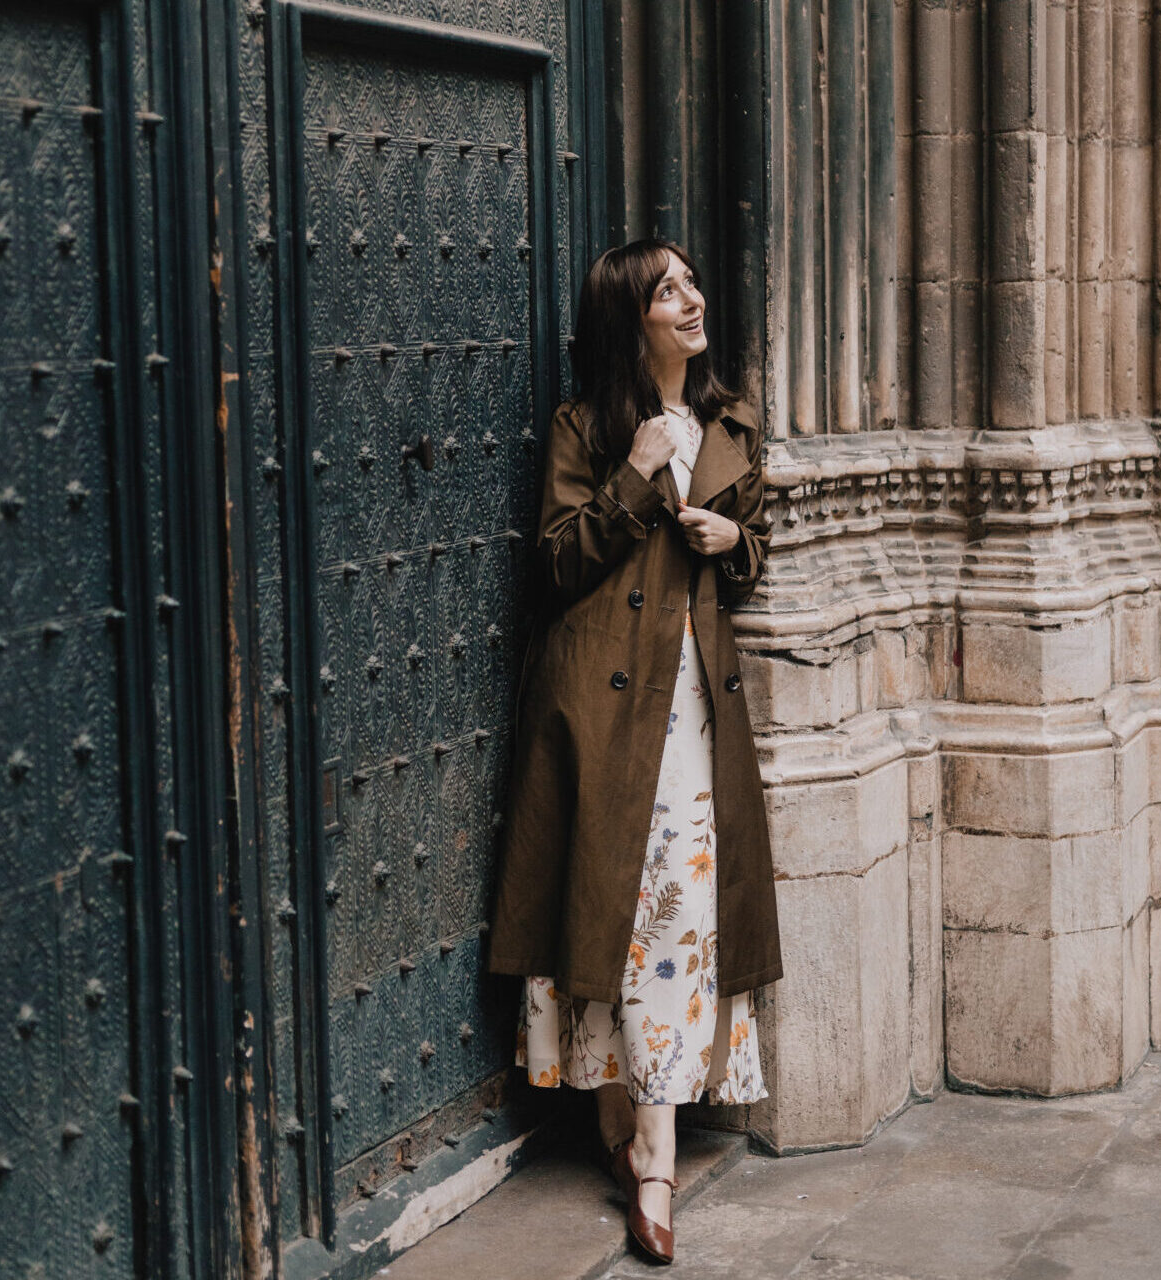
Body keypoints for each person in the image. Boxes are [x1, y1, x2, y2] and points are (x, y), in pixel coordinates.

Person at [488, 239, 783, 1265]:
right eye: (667, 291)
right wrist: (634, 476)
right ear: (632, 318)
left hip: (697, 704)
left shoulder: (734, 419)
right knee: (626, 898)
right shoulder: (587, 426)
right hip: (605, 706)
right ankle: (640, 1145)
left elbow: (752, 557)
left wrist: (726, 543)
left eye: (691, 281)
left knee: (674, 906)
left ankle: (642, 1140)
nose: (692, 299)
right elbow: (555, 562)